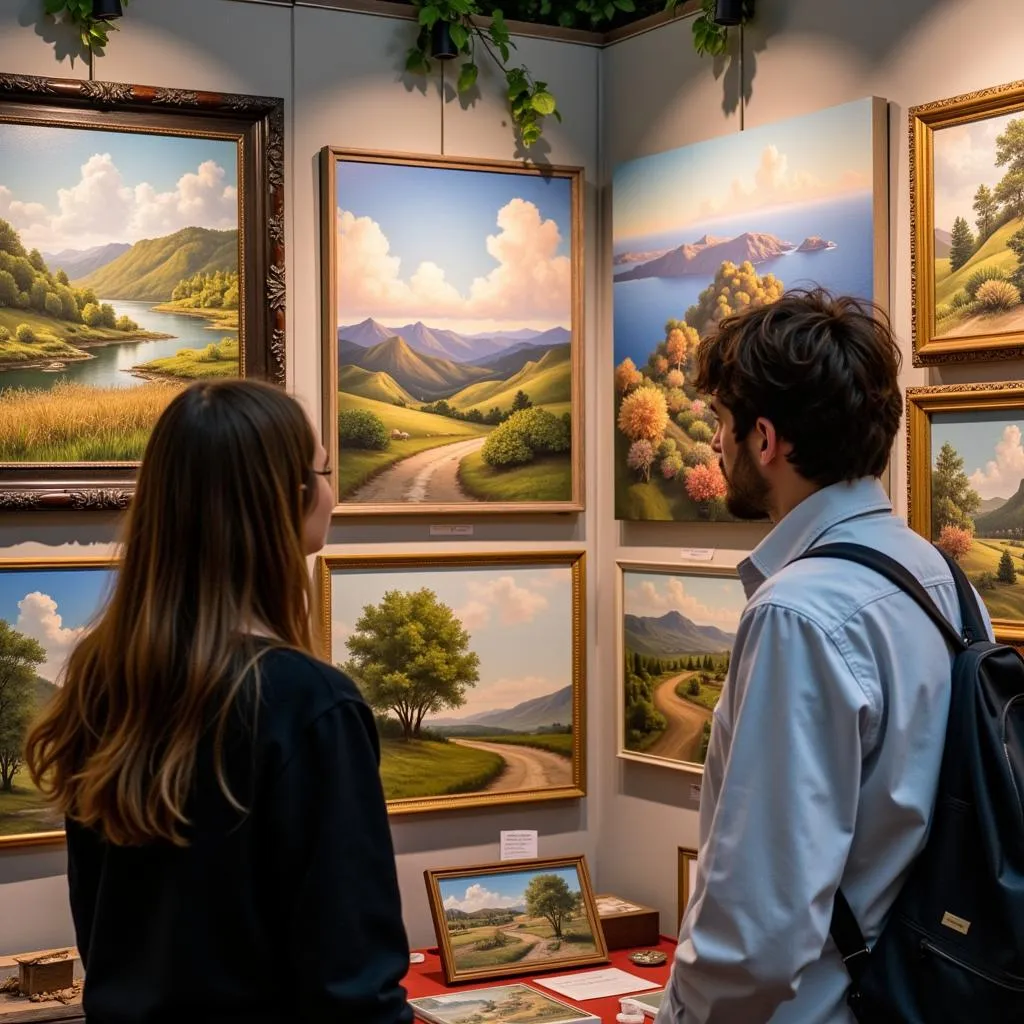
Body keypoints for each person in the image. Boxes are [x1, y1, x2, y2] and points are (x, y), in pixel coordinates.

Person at [24, 380, 413, 1024]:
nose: (332, 493)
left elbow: (102, 931)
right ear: (288, 500)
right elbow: (354, 987)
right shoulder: (310, 705)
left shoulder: (101, 679)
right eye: (325, 471)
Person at [655, 289, 993, 1024]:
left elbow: (756, 932)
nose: (716, 443)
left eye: (721, 422)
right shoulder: (944, 579)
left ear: (765, 439)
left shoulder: (796, 613)